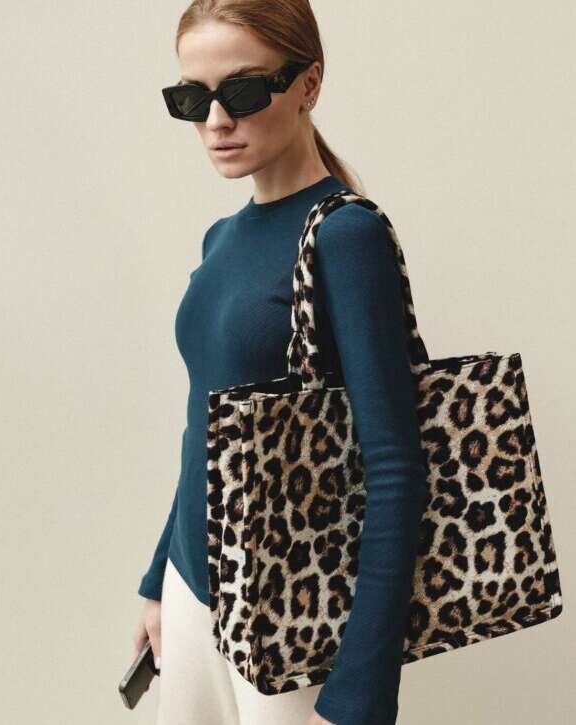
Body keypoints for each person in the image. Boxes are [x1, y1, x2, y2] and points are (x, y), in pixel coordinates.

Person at [133, 2, 427, 724]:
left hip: (290, 609)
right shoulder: (220, 240)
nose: (215, 122)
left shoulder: (345, 236)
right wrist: (158, 576)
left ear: (309, 84)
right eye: (192, 99)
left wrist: (360, 689)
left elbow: (396, 467)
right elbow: (209, 424)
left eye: (241, 91)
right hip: (192, 592)